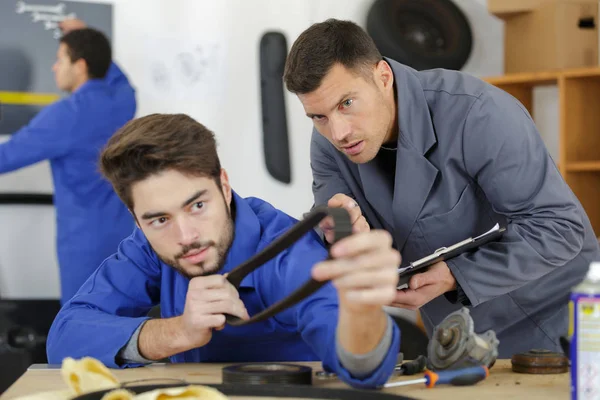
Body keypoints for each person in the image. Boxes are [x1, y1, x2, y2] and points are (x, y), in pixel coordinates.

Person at [282, 18, 600, 357]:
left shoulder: (479, 113)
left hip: (567, 317)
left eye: (347, 103)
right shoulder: (328, 142)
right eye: (318, 116)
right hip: (465, 338)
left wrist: (456, 276)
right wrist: (344, 235)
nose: (339, 132)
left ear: (383, 77)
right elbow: (341, 230)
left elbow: (560, 229)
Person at [46, 113, 402, 389]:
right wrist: (175, 333)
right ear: (137, 220)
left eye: (197, 206)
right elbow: (65, 336)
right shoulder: (149, 246)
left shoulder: (286, 251)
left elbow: (365, 370)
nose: (186, 236)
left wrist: (361, 311)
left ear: (225, 186)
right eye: (158, 219)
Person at [0, 19, 136, 304]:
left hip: (84, 246)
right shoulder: (122, 102)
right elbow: (120, 80)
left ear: (80, 66)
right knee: (123, 321)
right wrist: (84, 36)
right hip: (126, 238)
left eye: (60, 59)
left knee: (81, 325)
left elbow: (6, 156)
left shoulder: (65, 115)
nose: (54, 67)